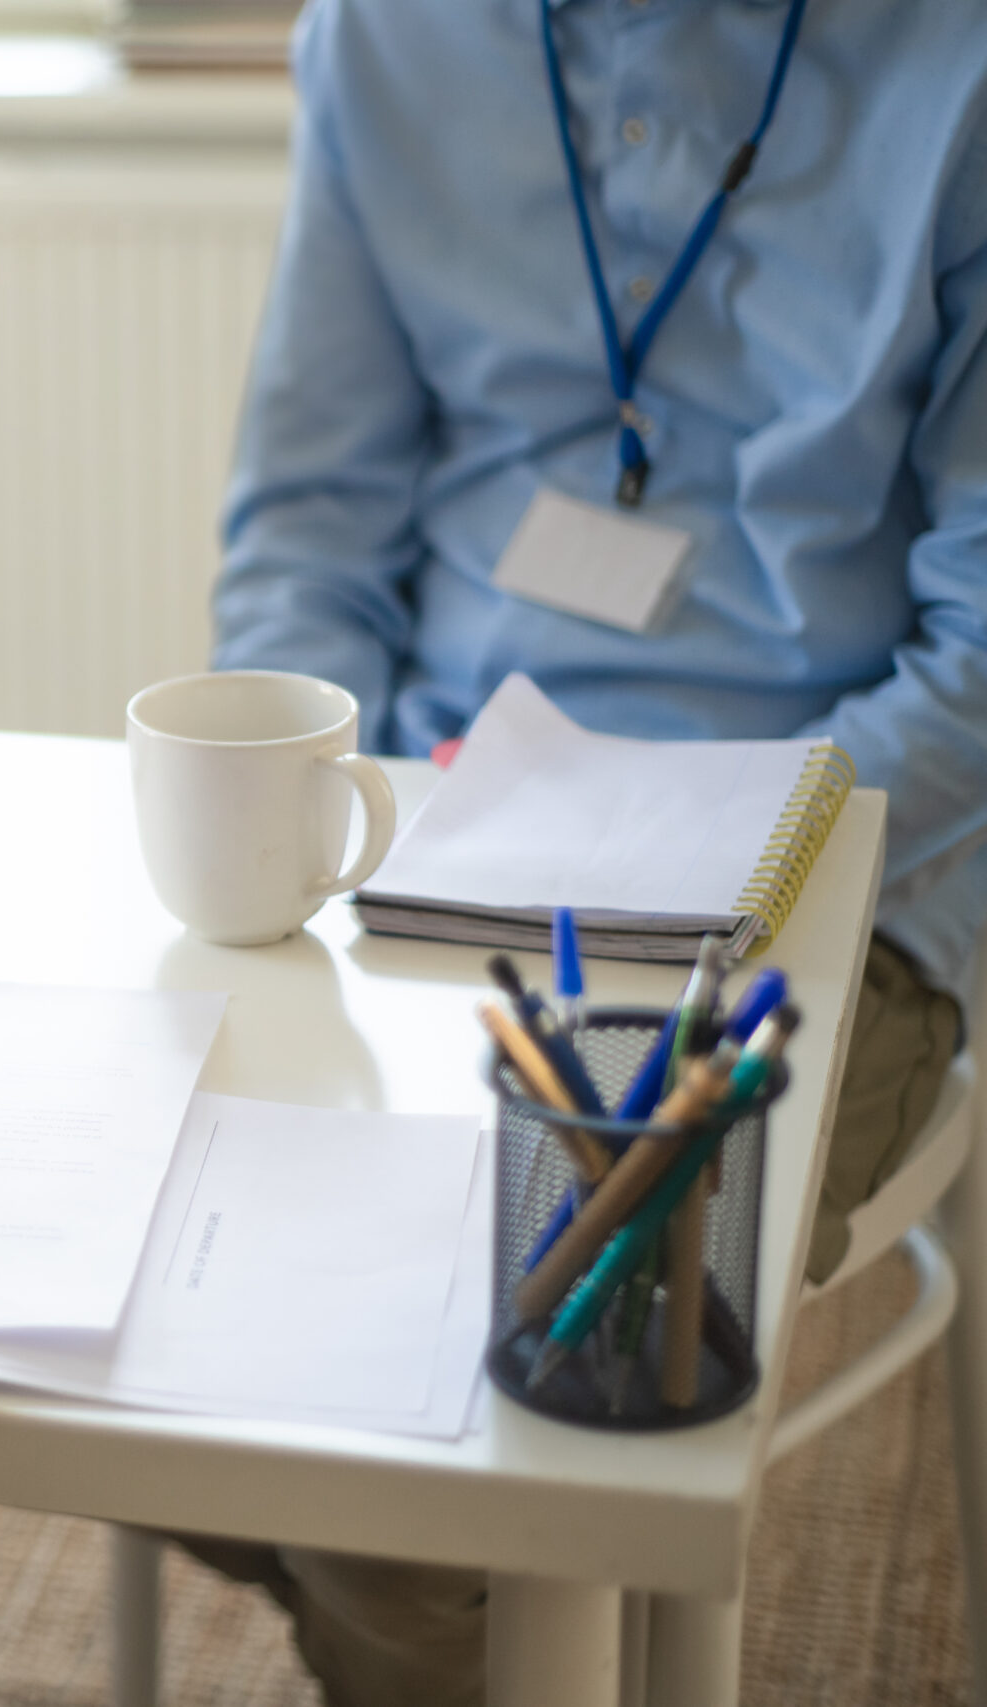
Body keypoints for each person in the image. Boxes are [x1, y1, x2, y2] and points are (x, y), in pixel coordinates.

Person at [202, 0, 987, 1701]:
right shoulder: (386, 41)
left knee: (457, 1444)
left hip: (830, 900)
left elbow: (986, 640)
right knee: (153, 1280)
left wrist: (741, 852)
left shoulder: (961, 61)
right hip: (425, 852)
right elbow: (309, 529)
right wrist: (310, 817)